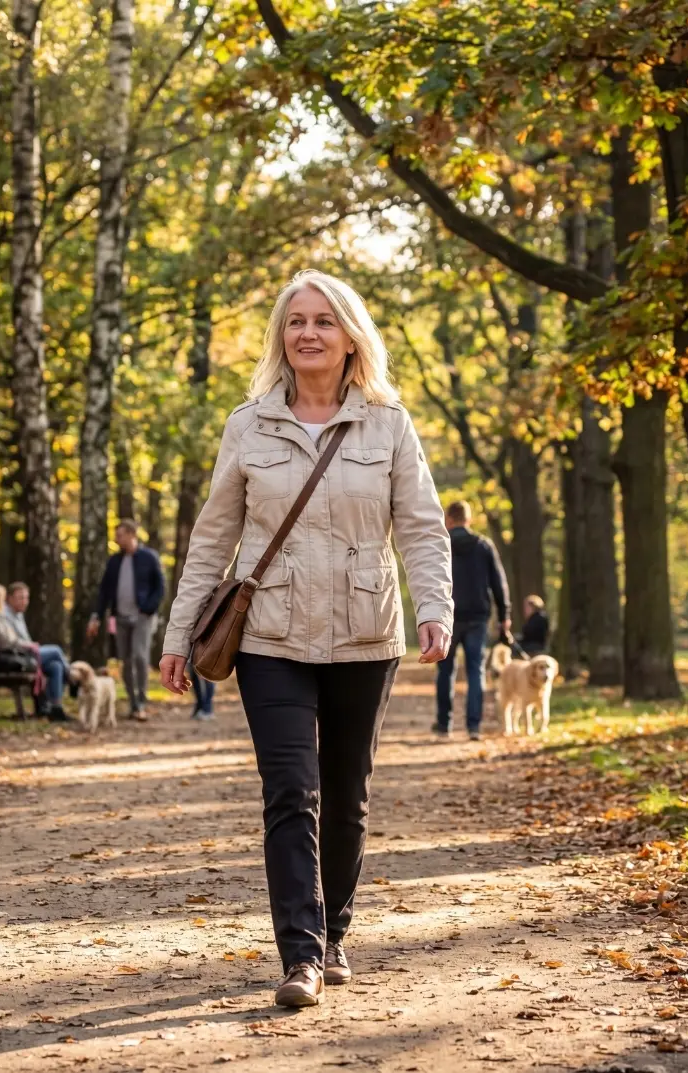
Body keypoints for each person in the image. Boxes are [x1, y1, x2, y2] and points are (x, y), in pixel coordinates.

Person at [160, 269, 453, 1009]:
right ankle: (302, 954)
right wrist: (177, 633)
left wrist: (435, 606)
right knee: (292, 791)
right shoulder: (248, 425)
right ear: (281, 336)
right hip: (271, 635)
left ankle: (335, 932)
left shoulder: (389, 423)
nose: (309, 333)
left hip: (364, 632)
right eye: (296, 321)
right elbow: (213, 538)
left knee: (347, 795)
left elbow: (422, 526)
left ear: (351, 337)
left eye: (324, 321)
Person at [435, 501, 510, 741]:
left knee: (445, 670)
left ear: (448, 519)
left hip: (447, 617)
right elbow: (499, 583)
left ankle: (444, 724)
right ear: (469, 520)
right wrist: (504, 616)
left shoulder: (441, 544)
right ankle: (473, 726)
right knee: (476, 671)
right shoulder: (483, 545)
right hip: (477, 617)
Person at [87, 520, 165, 722]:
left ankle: (142, 701)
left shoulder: (149, 557)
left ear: (132, 534)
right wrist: (96, 617)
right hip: (120, 617)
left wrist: (148, 608)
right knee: (126, 660)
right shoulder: (114, 561)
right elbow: (104, 592)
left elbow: (160, 587)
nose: (116, 539)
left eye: (120, 535)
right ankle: (133, 702)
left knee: (140, 656)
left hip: (142, 617)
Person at [0, 583, 57, 715]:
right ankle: (69, 680)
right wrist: (27, 645)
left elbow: (10, 639)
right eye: (1, 597)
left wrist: (22, 644)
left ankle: (50, 708)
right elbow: (5, 642)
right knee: (53, 652)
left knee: (54, 665)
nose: (3, 601)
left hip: (5, 657)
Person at [4, 581, 72, 721]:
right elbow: (11, 641)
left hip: (28, 652)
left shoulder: (19, 615)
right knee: (55, 650)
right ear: (9, 598)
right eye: (20, 598)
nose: (24, 601)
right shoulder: (5, 615)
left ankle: (55, 708)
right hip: (19, 656)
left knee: (56, 666)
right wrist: (30, 645)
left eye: (26, 598)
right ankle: (72, 678)